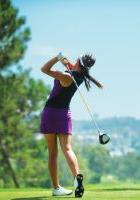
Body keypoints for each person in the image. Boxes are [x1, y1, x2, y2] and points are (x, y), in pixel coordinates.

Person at [40, 52, 103, 197]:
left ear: (77, 61)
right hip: (64, 114)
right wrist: (66, 64)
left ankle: (56, 188)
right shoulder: (78, 76)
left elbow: (44, 69)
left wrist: (57, 58)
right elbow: (73, 71)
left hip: (51, 113)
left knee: (53, 153)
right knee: (67, 148)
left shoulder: (67, 76)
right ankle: (77, 178)